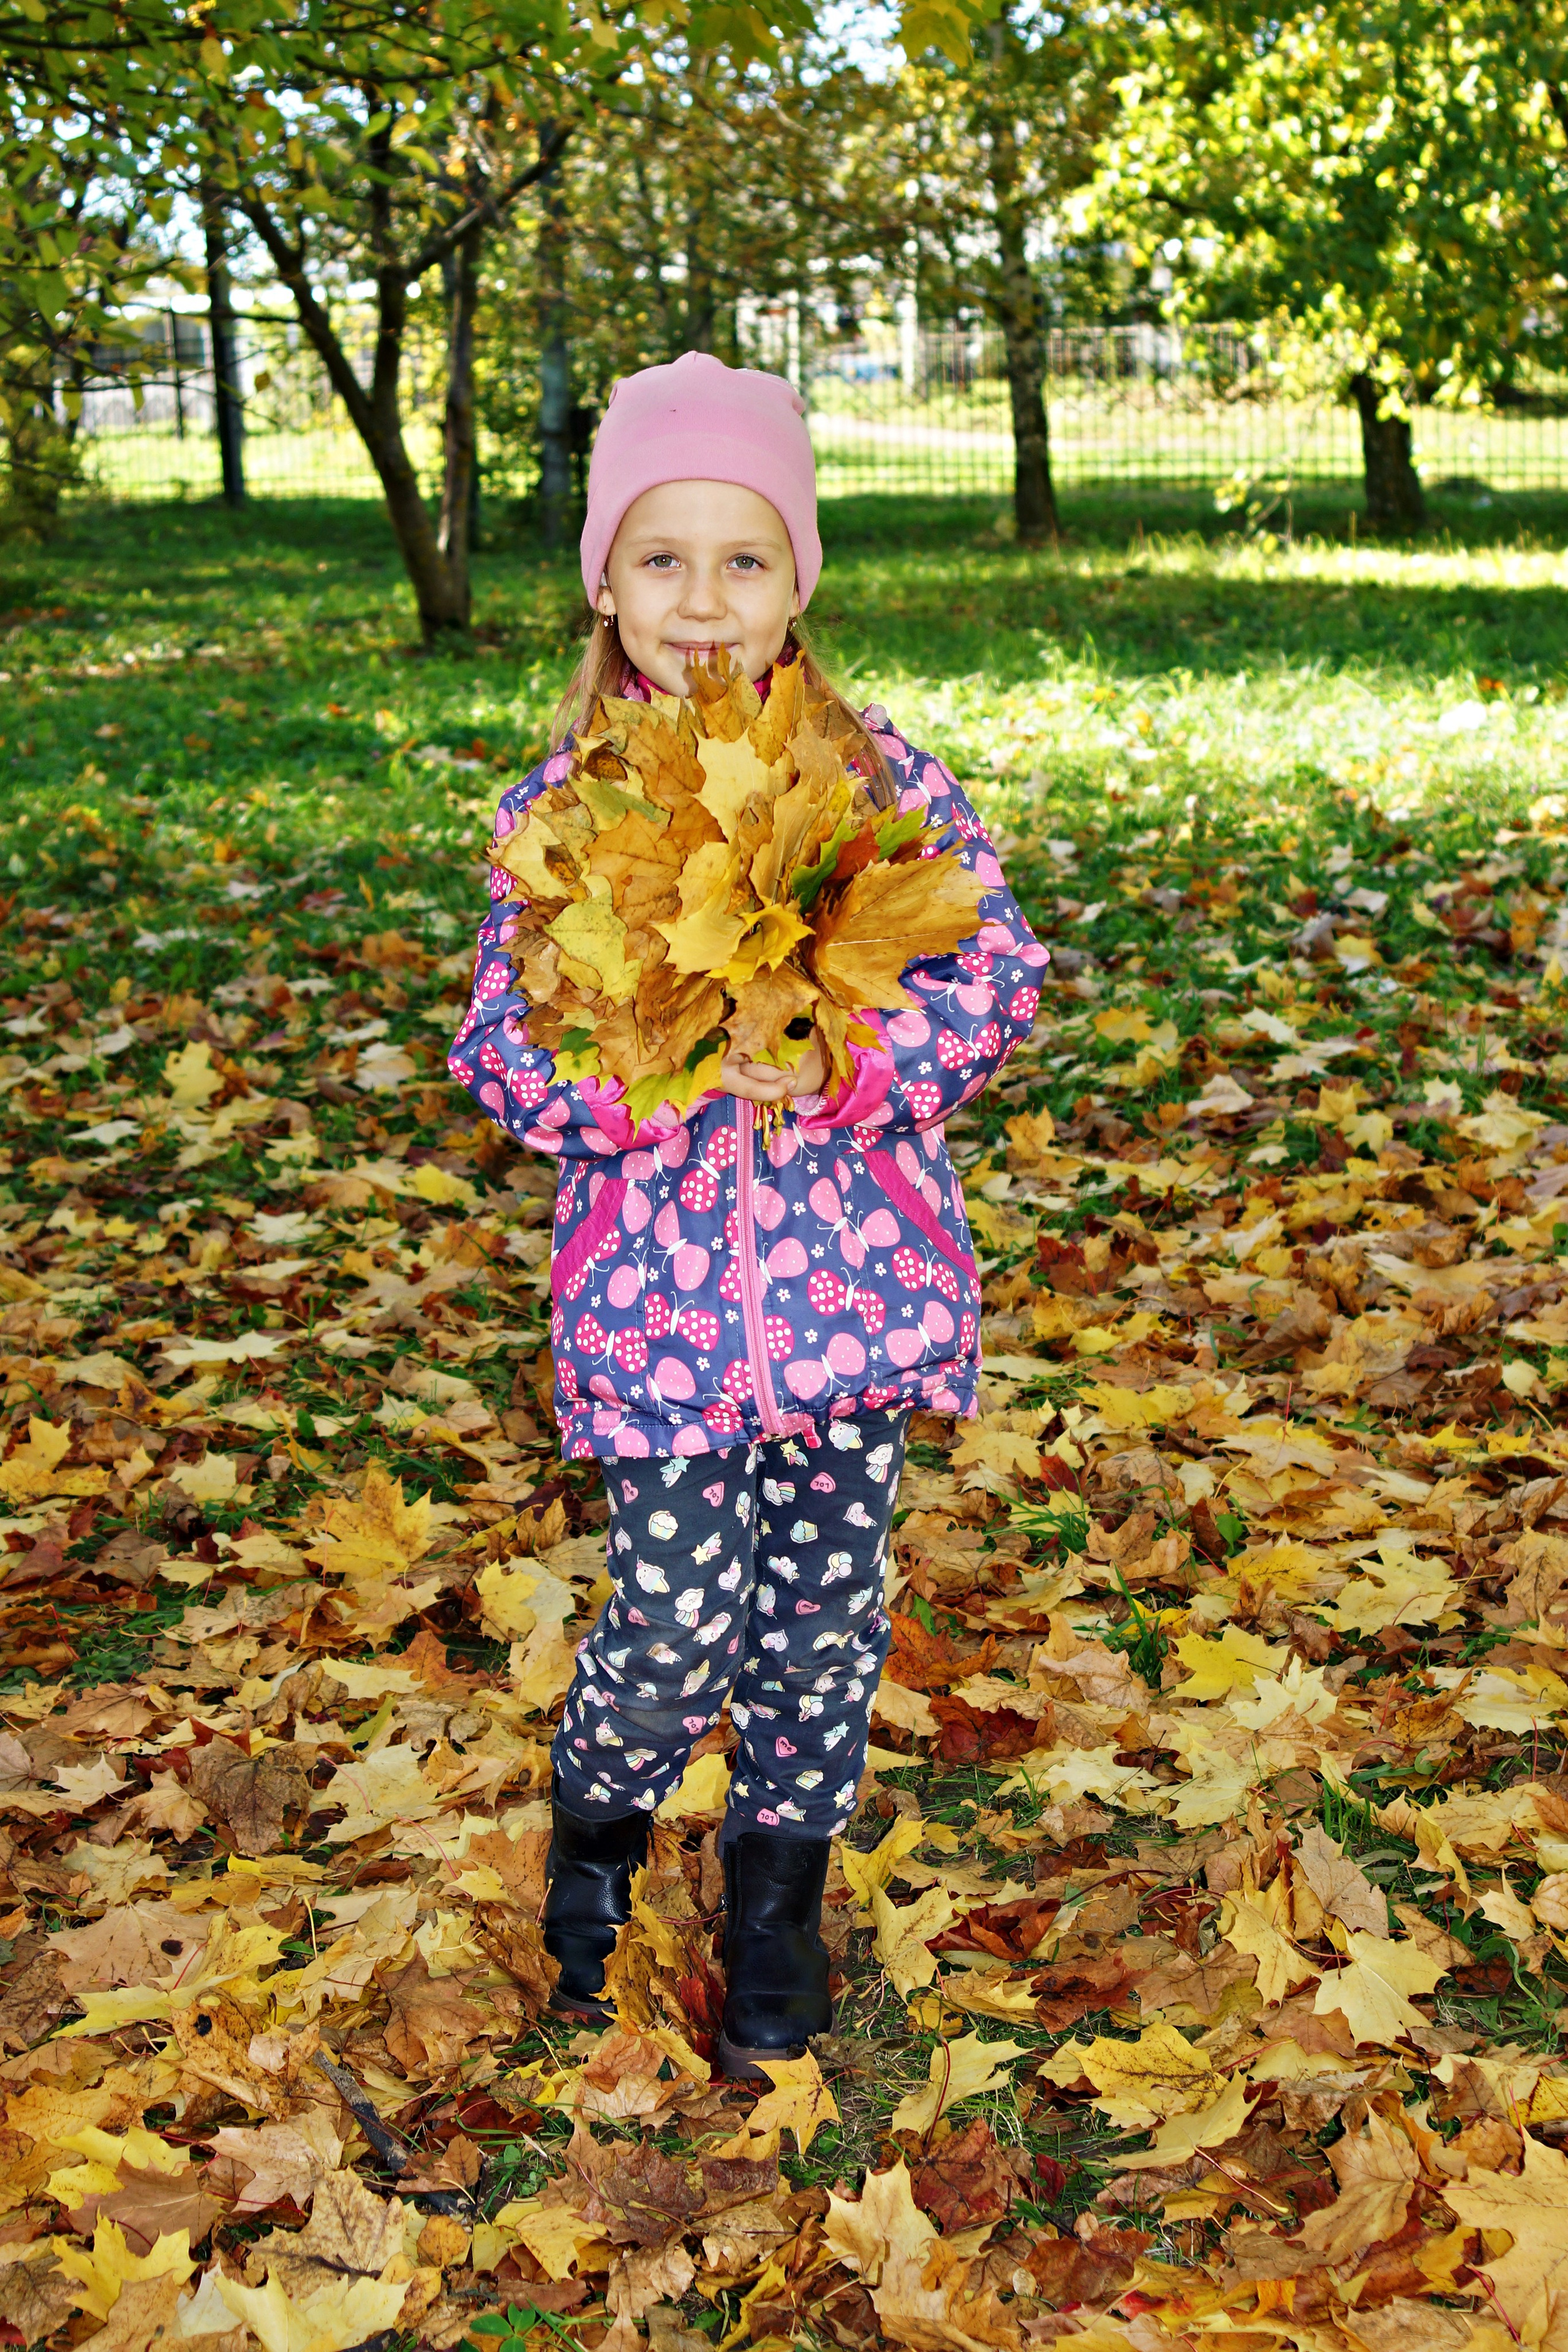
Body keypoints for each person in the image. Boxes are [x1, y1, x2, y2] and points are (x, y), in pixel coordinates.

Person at [448, 351, 1047, 2079]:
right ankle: (601, 1842)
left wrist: (853, 1064)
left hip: (854, 1313)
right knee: (675, 1616)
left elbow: (993, 980)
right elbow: (500, 1051)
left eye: (743, 560)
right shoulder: (560, 821)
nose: (702, 604)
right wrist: (638, 1070)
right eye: (660, 559)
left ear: (797, 581)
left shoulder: (878, 786)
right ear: (604, 585)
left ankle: (778, 1899)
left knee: (824, 1617)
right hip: (660, 1328)